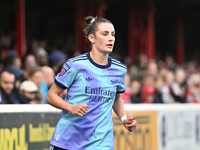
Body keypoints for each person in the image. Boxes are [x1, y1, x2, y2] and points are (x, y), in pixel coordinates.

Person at [46, 16, 137, 150]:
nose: (110, 38)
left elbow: (116, 98)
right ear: (91, 38)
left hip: (101, 143)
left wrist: (124, 118)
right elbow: (51, 96)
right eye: (105, 34)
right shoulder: (75, 65)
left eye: (113, 34)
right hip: (69, 141)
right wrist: (71, 108)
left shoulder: (119, 69)